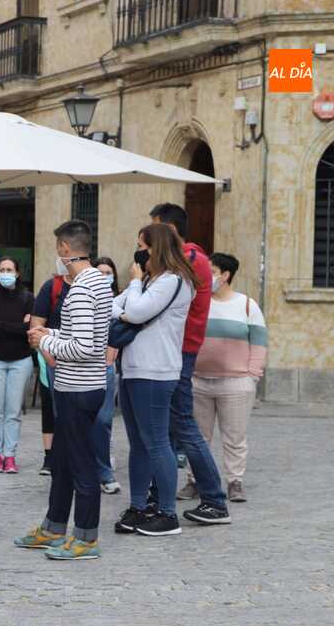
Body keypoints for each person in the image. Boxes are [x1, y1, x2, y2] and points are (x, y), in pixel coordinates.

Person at [18, 221, 112, 561]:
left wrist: (46, 338)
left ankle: (86, 537)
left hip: (79, 386)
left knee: (81, 463)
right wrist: (55, 333)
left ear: (64, 249)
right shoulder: (97, 282)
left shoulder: (84, 288)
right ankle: (54, 526)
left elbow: (86, 346)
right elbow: (87, 333)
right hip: (78, 384)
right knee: (61, 460)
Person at [112, 224, 201, 537]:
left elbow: (134, 312)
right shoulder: (151, 280)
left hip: (156, 370)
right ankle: (139, 506)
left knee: (157, 442)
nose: (139, 254)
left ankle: (167, 513)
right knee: (138, 445)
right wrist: (132, 297)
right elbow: (116, 306)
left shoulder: (174, 281)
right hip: (133, 368)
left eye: (143, 247)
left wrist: (134, 289)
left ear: (157, 247)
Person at [148, 203, 230, 525]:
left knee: (183, 425)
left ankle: (214, 499)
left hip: (179, 350)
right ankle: (163, 492)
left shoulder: (190, 260)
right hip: (175, 349)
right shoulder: (188, 259)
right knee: (169, 427)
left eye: (154, 230)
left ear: (168, 230)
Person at [186, 252, 267, 504]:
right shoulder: (197, 302)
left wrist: (252, 376)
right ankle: (194, 480)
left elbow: (259, 343)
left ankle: (235, 481)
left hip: (236, 383)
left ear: (225, 274)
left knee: (234, 436)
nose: (204, 275)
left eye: (210, 270)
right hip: (198, 380)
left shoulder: (247, 305)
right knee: (198, 436)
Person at [0, 256, 35, 474]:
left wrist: (1, 324)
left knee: (13, 412)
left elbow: (30, 328)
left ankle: (10, 456)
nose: (5, 273)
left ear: (18, 273)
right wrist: (15, 325)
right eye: (2, 269)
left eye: (9, 269)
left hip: (21, 360)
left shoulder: (28, 298)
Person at [31, 270, 72, 476]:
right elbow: (36, 326)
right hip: (51, 357)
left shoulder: (90, 286)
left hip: (78, 362)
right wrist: (48, 356)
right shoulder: (51, 287)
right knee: (52, 408)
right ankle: (52, 457)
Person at [92, 256, 122, 494]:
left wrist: (110, 358)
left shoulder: (119, 301)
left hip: (106, 367)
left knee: (103, 421)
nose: (104, 276)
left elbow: (119, 330)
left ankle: (104, 471)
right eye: (99, 272)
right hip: (82, 367)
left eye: (108, 273)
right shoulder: (86, 296)